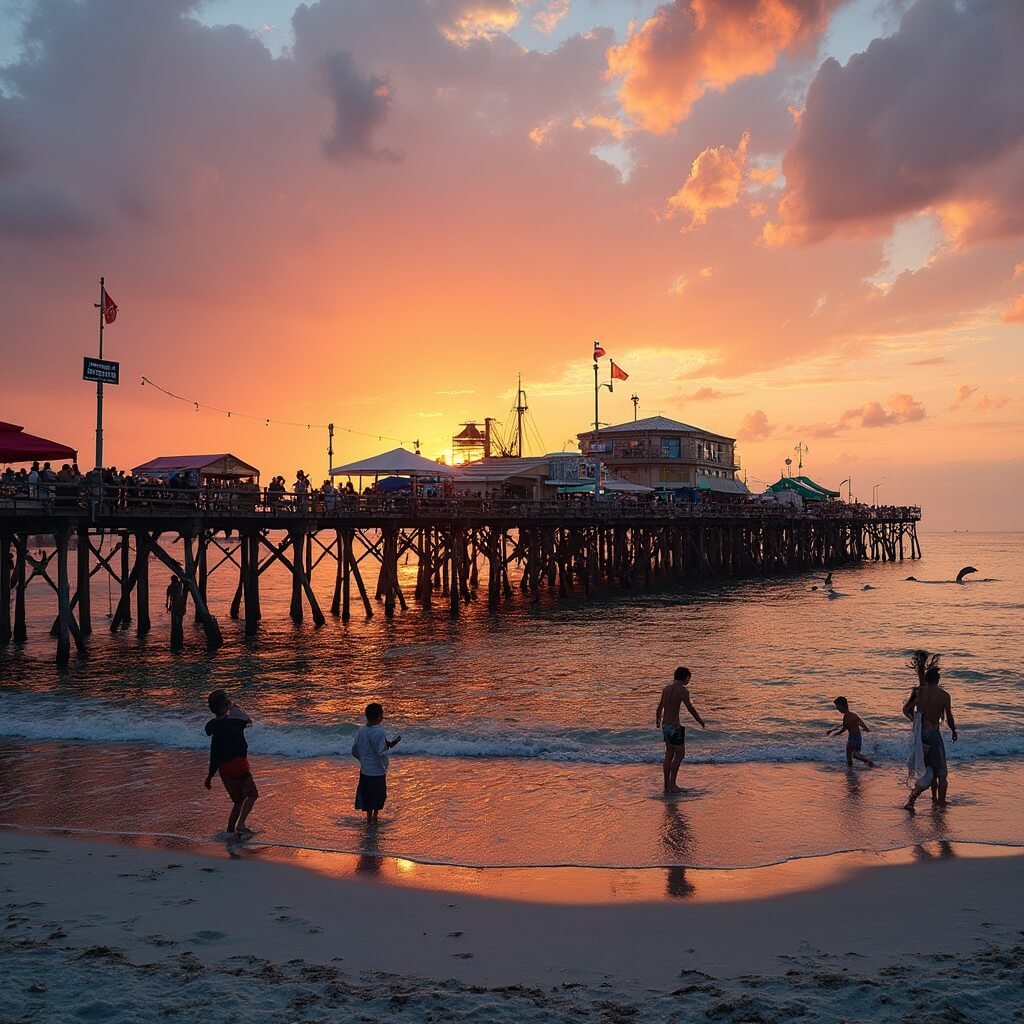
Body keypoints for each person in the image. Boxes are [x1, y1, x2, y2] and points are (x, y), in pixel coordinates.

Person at [903, 654, 958, 811]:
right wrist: (954, 731)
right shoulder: (944, 695)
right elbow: (949, 718)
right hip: (933, 734)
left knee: (929, 771)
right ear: (938, 680)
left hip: (921, 736)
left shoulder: (921, 692)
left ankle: (924, 800)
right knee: (941, 774)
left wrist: (916, 722)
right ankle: (940, 804)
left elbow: (906, 710)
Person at [203, 689, 259, 836]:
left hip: (224, 770)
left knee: (238, 801)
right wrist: (235, 706)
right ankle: (240, 825)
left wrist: (209, 777)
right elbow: (248, 721)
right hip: (239, 766)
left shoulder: (213, 726)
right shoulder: (235, 722)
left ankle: (230, 831)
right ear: (226, 705)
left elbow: (214, 754)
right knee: (252, 795)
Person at [655, 667, 706, 794]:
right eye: (689, 678)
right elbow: (690, 707)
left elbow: (660, 707)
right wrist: (699, 720)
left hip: (665, 724)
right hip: (674, 726)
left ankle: (666, 786)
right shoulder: (682, 690)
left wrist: (657, 720)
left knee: (669, 754)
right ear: (686, 677)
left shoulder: (666, 689)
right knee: (680, 754)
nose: (689, 681)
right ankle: (672, 784)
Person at [351, 702, 401, 824]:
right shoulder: (379, 732)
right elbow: (381, 751)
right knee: (378, 796)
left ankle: (369, 818)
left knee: (367, 796)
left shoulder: (361, 730)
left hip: (365, 770)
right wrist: (385, 764)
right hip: (377, 771)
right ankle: (375, 817)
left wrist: (363, 761)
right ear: (380, 716)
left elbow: (354, 750)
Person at [827, 696, 875, 767]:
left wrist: (835, 734)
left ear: (841, 707)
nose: (837, 709)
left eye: (838, 707)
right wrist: (866, 728)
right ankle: (867, 761)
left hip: (852, 738)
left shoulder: (846, 717)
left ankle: (851, 767)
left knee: (849, 754)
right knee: (855, 754)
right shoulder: (853, 715)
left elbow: (843, 729)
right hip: (858, 737)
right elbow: (860, 723)